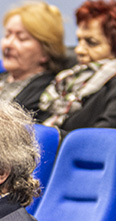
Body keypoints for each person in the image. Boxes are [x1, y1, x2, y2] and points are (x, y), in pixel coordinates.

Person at [0, 2, 66, 118]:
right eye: (7, 35)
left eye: (21, 38)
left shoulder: (46, 93)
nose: (8, 44)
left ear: (46, 52)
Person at [38, 0, 116, 132]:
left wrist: (52, 137)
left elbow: (101, 138)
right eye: (79, 40)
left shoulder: (112, 86)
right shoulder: (69, 78)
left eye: (91, 43)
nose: (79, 50)